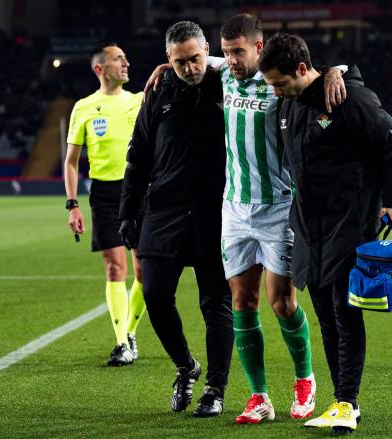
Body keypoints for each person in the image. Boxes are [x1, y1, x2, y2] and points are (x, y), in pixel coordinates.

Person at [144, 13, 347, 424]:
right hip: (234, 209)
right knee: (242, 303)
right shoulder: (221, 74)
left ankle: (304, 378)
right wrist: (167, 65)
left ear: (258, 47)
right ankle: (258, 396)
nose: (231, 59)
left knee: (282, 302)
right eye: (226, 52)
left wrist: (336, 72)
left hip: (277, 208)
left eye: (238, 51)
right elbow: (194, 61)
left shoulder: (276, 82)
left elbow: (316, 74)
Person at [259, 33, 392, 433]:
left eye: (279, 82)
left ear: (303, 70)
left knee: (345, 312)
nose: (274, 90)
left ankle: (348, 402)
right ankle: (342, 401)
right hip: (310, 227)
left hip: (350, 221)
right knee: (326, 316)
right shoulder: (288, 106)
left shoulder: (350, 99)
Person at [118, 21, 233, 418]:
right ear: (168, 60)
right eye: (179, 61)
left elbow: (263, 62)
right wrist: (127, 214)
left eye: (196, 58)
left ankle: (215, 388)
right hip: (163, 211)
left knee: (215, 303)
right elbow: (138, 159)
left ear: (207, 52)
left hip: (215, 214)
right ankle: (187, 367)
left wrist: (338, 71)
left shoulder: (228, 84)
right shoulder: (157, 93)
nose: (189, 67)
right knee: (154, 296)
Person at [64, 42, 146, 367]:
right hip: (105, 194)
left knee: (144, 272)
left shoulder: (140, 101)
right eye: (118, 58)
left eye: (126, 57)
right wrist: (72, 204)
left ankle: (131, 330)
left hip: (139, 190)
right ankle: (121, 343)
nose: (126, 62)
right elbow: (71, 162)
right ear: (100, 68)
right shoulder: (83, 107)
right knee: (115, 268)